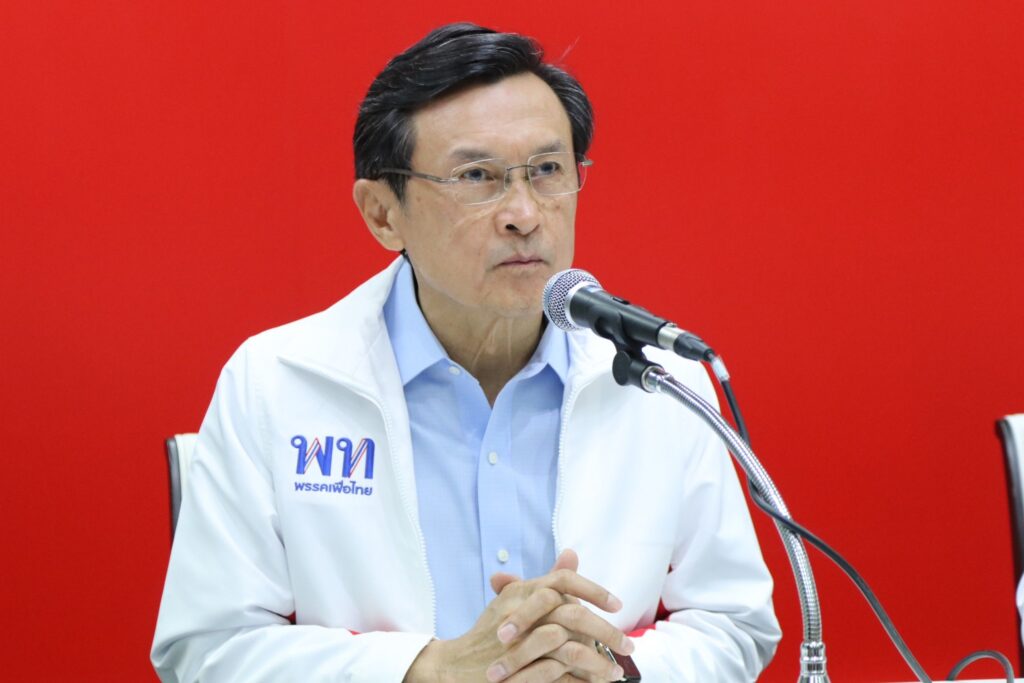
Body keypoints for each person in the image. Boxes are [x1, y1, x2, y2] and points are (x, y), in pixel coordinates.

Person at [152, 23, 781, 682]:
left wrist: (612, 669)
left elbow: (735, 621)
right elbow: (205, 648)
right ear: (382, 213)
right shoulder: (275, 382)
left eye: (547, 171)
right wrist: (430, 670)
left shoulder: (662, 379)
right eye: (477, 176)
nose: (524, 214)